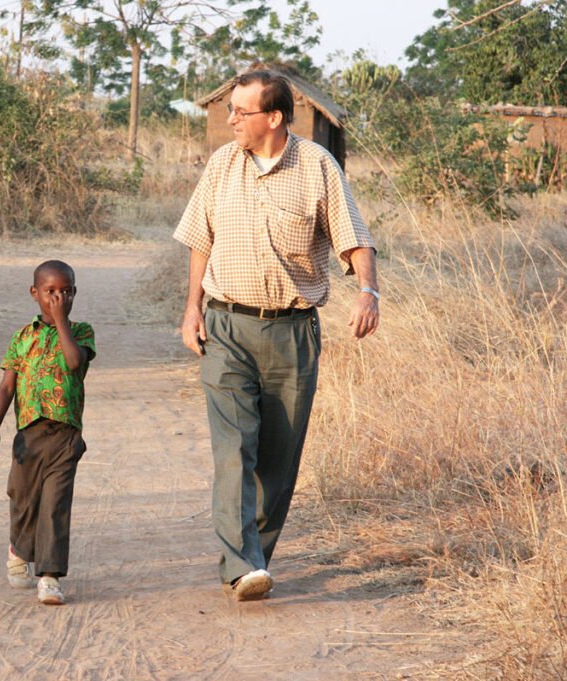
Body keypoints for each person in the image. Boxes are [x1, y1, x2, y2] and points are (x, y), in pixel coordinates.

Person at [173, 70, 380, 601]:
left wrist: (368, 291)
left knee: (278, 461)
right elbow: (200, 239)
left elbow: (353, 237)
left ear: (274, 117)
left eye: (241, 112)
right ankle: (241, 565)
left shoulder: (317, 166)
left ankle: (256, 558)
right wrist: (192, 308)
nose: (230, 120)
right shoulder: (222, 165)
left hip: (292, 332)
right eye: (230, 111)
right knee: (233, 450)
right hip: (226, 327)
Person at [0, 260, 96, 606]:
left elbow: (74, 362)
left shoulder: (81, 332)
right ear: (35, 293)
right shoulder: (22, 337)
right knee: (21, 496)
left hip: (65, 434)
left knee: (54, 506)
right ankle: (19, 548)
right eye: (50, 292)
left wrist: (61, 321)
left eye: (66, 291)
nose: (58, 298)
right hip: (28, 435)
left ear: (75, 293)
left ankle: (50, 577)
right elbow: (7, 386)